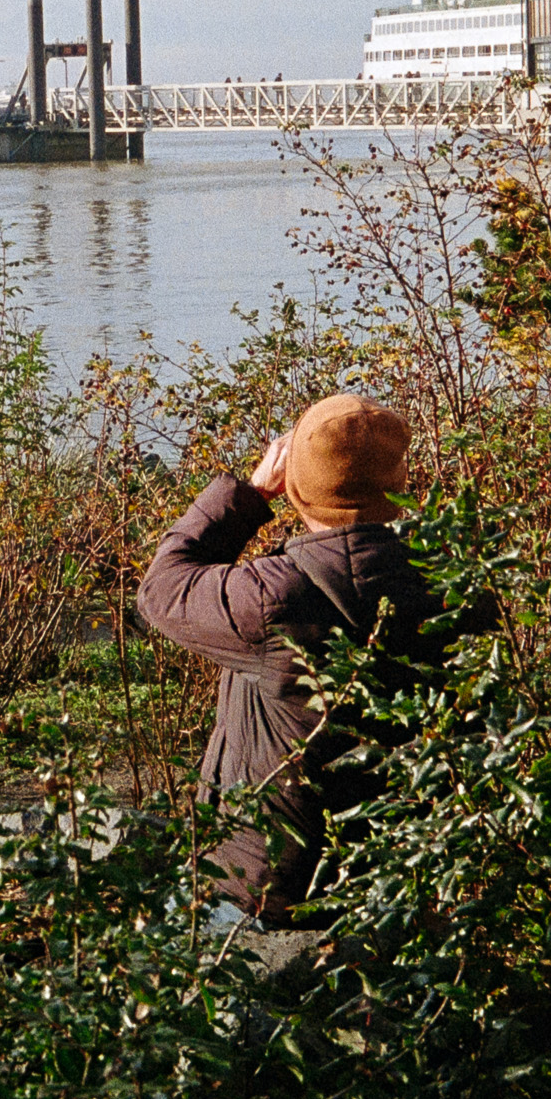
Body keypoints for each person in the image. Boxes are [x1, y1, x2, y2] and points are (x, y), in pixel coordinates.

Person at [136, 392, 469, 929]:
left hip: (268, 890)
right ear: (400, 484)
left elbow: (162, 590)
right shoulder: (454, 585)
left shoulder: (272, 596)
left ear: (294, 483)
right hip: (401, 877)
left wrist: (250, 494)